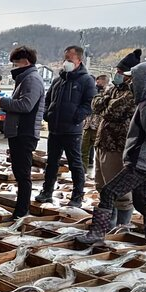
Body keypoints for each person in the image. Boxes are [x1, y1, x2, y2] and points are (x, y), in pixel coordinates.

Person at [78, 61, 146, 244]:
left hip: (140, 162)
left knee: (108, 192)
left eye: (134, 79)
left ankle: (97, 235)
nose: (131, 83)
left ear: (143, 81)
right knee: (143, 201)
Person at [35, 45, 95, 207]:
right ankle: (47, 192)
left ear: (79, 60)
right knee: (52, 162)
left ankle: (77, 196)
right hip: (55, 128)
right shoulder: (58, 80)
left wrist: (76, 118)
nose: (65, 62)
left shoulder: (86, 80)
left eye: (69, 59)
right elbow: (47, 100)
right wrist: (48, 114)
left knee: (75, 163)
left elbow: (89, 104)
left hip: (72, 130)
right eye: (65, 59)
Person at [0, 46, 45, 219]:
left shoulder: (32, 79)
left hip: (25, 132)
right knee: (19, 172)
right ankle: (20, 209)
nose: (13, 66)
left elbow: (26, 105)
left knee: (23, 174)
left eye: (16, 63)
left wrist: (2, 102)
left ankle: (22, 211)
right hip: (18, 131)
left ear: (26, 62)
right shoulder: (25, 79)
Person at [93, 49, 142, 226]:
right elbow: (96, 104)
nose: (118, 74)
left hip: (118, 144)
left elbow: (111, 112)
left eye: (121, 72)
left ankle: (121, 227)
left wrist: (104, 103)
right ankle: (108, 224)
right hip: (102, 141)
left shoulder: (132, 92)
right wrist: (104, 101)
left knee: (119, 191)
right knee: (101, 185)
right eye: (118, 71)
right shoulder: (114, 89)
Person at [81, 74, 109, 172]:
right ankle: (82, 171)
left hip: (98, 126)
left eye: (99, 82)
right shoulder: (93, 91)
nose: (97, 84)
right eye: (96, 82)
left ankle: (98, 172)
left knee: (99, 153)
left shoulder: (108, 93)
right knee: (83, 151)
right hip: (88, 124)